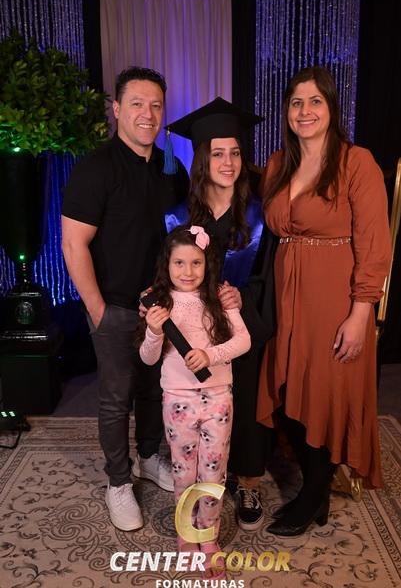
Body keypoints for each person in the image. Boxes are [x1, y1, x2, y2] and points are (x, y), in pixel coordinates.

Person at [257, 66, 391, 536]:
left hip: (335, 298)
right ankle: (313, 489)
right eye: (296, 102)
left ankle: (314, 492)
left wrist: (361, 311)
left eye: (315, 101)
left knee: (325, 391)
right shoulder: (278, 164)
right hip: (285, 295)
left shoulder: (356, 162)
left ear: (332, 108)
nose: (305, 111)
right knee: (288, 387)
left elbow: (375, 243)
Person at [61, 66, 189, 531]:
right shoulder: (95, 168)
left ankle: (149, 457)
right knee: (116, 399)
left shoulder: (171, 169)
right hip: (113, 307)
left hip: (160, 307)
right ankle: (118, 481)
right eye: (136, 103)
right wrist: (98, 311)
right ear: (117, 109)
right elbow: (72, 244)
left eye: (156, 105)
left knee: (154, 388)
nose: (147, 113)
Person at [165, 97, 277, 530]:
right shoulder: (179, 215)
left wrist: (241, 299)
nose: (228, 163)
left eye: (235, 153)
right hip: (192, 330)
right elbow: (170, 270)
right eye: (217, 153)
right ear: (202, 159)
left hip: (239, 327)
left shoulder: (259, 214)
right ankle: (198, 476)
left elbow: (267, 275)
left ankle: (247, 480)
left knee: (244, 401)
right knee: (196, 402)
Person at [138, 225, 251, 576]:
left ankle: (208, 535)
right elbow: (147, 358)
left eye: (196, 263)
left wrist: (210, 355)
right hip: (178, 400)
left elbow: (243, 340)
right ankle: (187, 534)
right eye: (179, 263)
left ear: (207, 264)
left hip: (218, 398)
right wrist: (154, 331)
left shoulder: (218, 297)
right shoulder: (159, 304)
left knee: (213, 470)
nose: (188, 272)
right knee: (184, 471)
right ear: (167, 265)